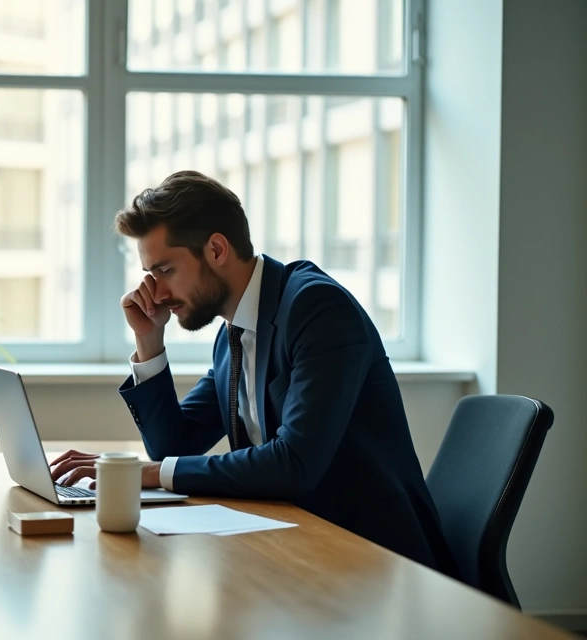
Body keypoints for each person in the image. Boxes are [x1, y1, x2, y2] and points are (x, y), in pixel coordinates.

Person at [50, 170, 457, 576]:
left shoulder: (316, 308)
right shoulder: (236, 330)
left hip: (373, 557)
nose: (155, 292)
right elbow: (175, 445)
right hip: (292, 545)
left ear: (216, 249)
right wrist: (149, 341)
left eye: (166, 271)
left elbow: (294, 462)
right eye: (149, 275)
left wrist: (151, 474)